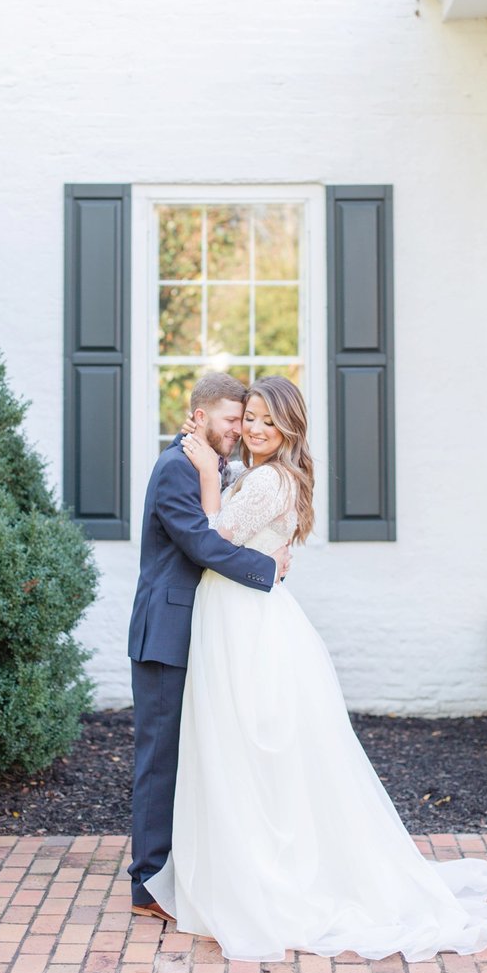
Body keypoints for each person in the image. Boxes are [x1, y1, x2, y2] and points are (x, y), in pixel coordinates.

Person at [146, 375, 487, 962]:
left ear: (290, 427)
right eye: (251, 418)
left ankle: (268, 876)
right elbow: (244, 542)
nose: (256, 428)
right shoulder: (252, 475)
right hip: (233, 615)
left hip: (245, 622)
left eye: (269, 420)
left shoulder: (267, 479)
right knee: (235, 746)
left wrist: (207, 479)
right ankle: (238, 869)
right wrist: (232, 503)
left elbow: (213, 536)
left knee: (250, 746)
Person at [127, 372, 292, 920]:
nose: (239, 431)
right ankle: (148, 886)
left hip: (197, 631)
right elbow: (203, 543)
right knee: (160, 760)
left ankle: (186, 873)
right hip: (165, 634)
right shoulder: (177, 467)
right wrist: (267, 569)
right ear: (197, 416)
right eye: (231, 420)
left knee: (193, 756)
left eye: (244, 420)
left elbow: (256, 494)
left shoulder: (217, 467)